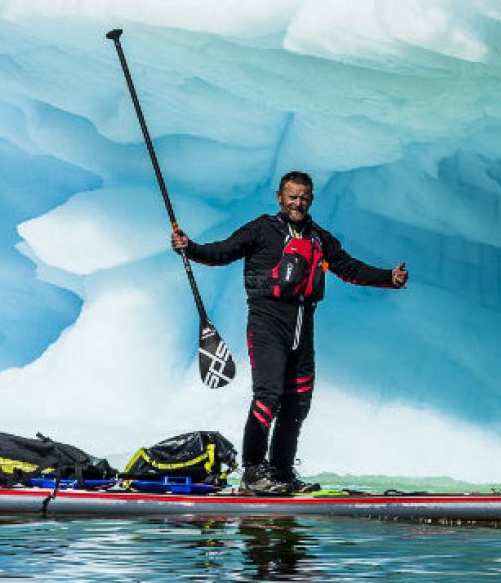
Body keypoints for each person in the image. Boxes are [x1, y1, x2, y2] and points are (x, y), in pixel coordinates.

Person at [172, 170, 408, 495]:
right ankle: (253, 472)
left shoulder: (319, 237)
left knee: (297, 403)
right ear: (280, 198)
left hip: (302, 328)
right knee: (268, 397)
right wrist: (190, 247)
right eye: (292, 196)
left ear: (311, 200)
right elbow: (223, 251)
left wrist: (387, 277)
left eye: (303, 198)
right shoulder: (261, 228)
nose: (297, 202)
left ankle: (281, 473)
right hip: (267, 323)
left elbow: (349, 268)